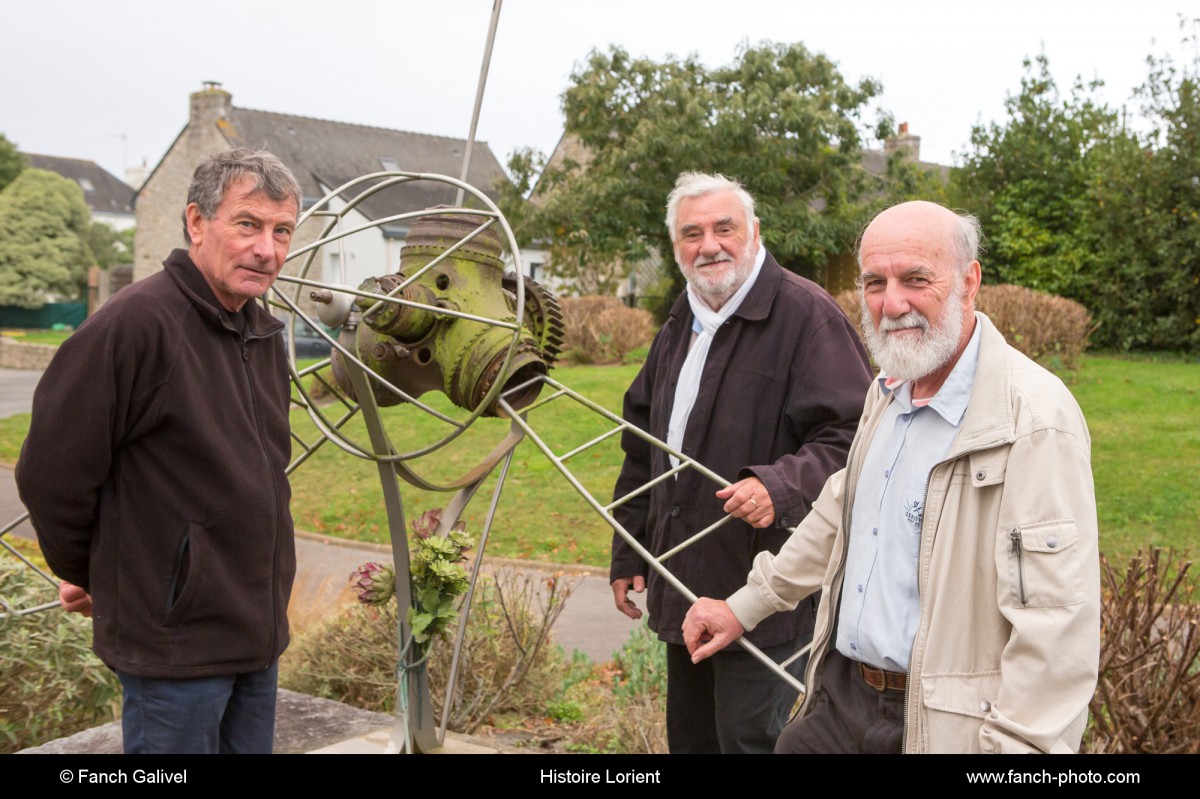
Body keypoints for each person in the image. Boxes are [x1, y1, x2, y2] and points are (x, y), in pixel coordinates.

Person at [683, 201, 1100, 754]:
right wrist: (745, 606)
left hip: (941, 727)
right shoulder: (890, 389)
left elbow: (1055, 625)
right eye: (874, 282)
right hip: (842, 703)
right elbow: (841, 510)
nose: (892, 302)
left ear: (969, 282)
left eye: (915, 279)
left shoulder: (1033, 420)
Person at [16, 148, 302, 754]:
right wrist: (91, 573)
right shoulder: (136, 324)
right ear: (197, 223)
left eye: (282, 231)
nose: (267, 250)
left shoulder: (262, 329)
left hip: (255, 637)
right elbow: (50, 472)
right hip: (175, 651)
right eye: (247, 224)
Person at [610, 172, 872, 753]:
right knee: (695, 742)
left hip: (768, 602)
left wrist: (779, 486)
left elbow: (857, 435)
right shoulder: (683, 319)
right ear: (675, 246)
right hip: (684, 584)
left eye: (724, 228)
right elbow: (642, 443)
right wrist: (629, 550)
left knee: (754, 743)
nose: (709, 245)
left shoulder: (807, 317)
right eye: (691, 233)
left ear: (754, 233)